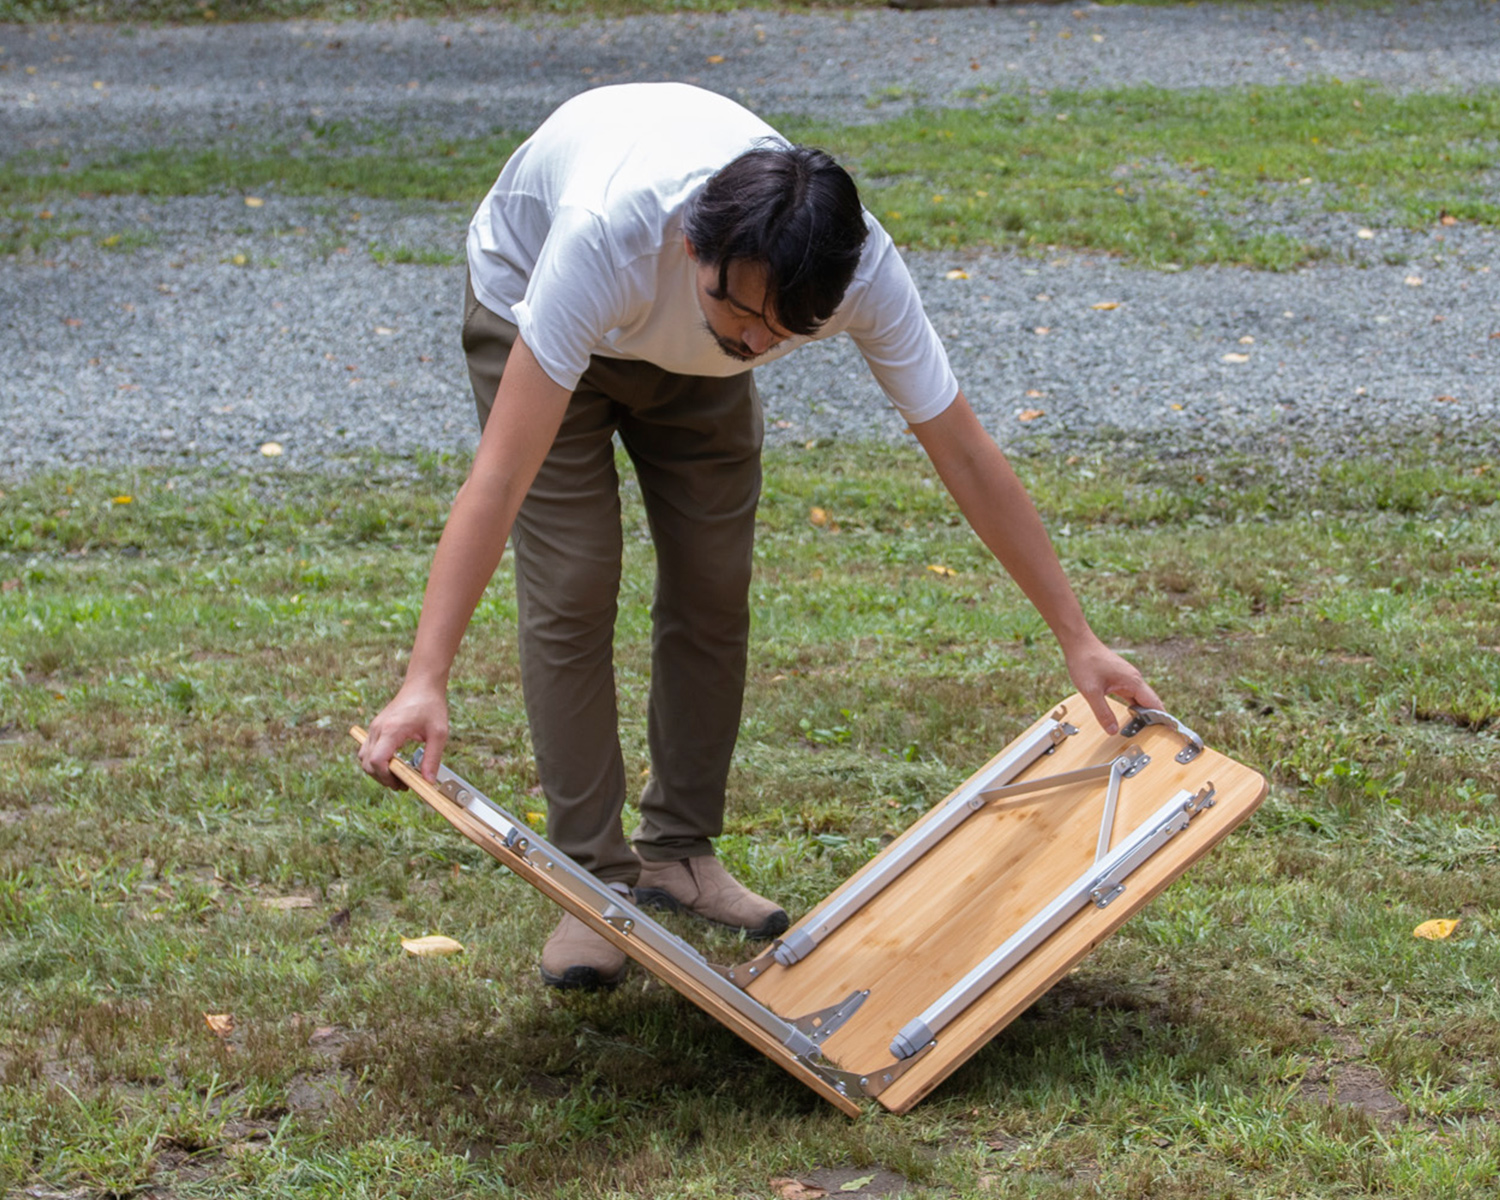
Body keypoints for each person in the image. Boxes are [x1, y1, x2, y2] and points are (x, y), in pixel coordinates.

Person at [357, 82, 1162, 990]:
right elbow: (498, 478)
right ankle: (591, 880)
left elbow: (966, 455)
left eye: (780, 333)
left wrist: (1078, 638)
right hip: (534, 307)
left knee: (712, 578)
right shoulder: (606, 237)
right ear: (697, 247)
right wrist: (426, 677)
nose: (753, 343)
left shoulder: (850, 269)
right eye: (740, 313)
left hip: (676, 337)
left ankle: (678, 854)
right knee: (574, 578)